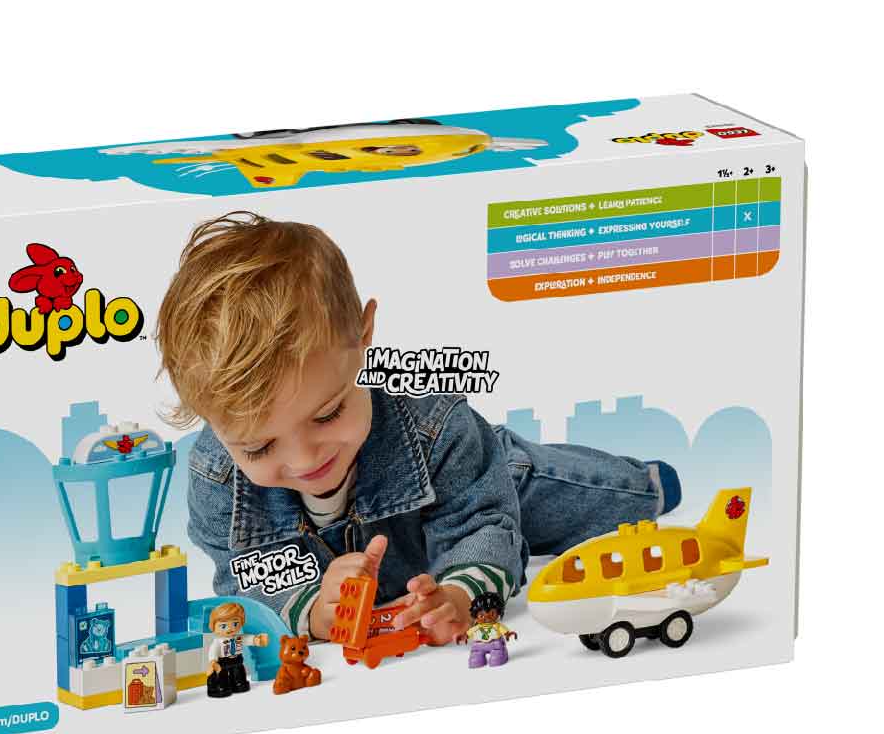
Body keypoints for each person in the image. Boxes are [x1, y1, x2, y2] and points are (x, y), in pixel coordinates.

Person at [156, 212, 681, 645]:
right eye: (258, 447)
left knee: (563, 496)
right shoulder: (215, 480)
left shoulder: (439, 433)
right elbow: (240, 579)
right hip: (422, 533)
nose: (303, 459)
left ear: (363, 334)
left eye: (327, 414)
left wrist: (461, 594)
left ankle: (646, 484)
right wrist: (312, 610)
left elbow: (483, 527)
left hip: (467, 476)